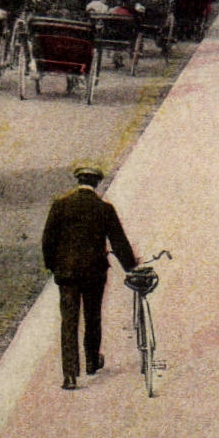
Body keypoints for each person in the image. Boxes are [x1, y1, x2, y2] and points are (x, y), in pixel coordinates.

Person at [41, 161, 138, 390]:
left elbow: (48, 241)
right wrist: (131, 267)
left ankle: (69, 374)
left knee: (69, 320)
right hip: (94, 273)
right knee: (93, 316)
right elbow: (119, 241)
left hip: (67, 273)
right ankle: (92, 362)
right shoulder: (104, 209)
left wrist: (53, 266)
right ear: (97, 183)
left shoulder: (60, 205)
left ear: (78, 181)